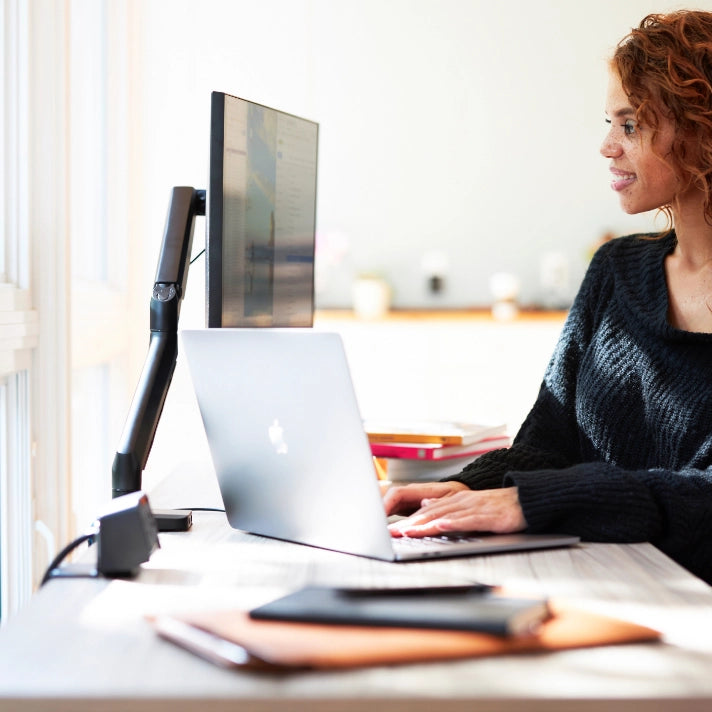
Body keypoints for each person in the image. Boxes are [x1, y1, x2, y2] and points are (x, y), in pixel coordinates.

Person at [384, 10, 712, 585]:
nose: (608, 147)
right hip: (605, 580)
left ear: (701, 130)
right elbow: (549, 443)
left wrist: (536, 502)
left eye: (630, 125)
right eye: (609, 123)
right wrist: (466, 489)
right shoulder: (616, 270)